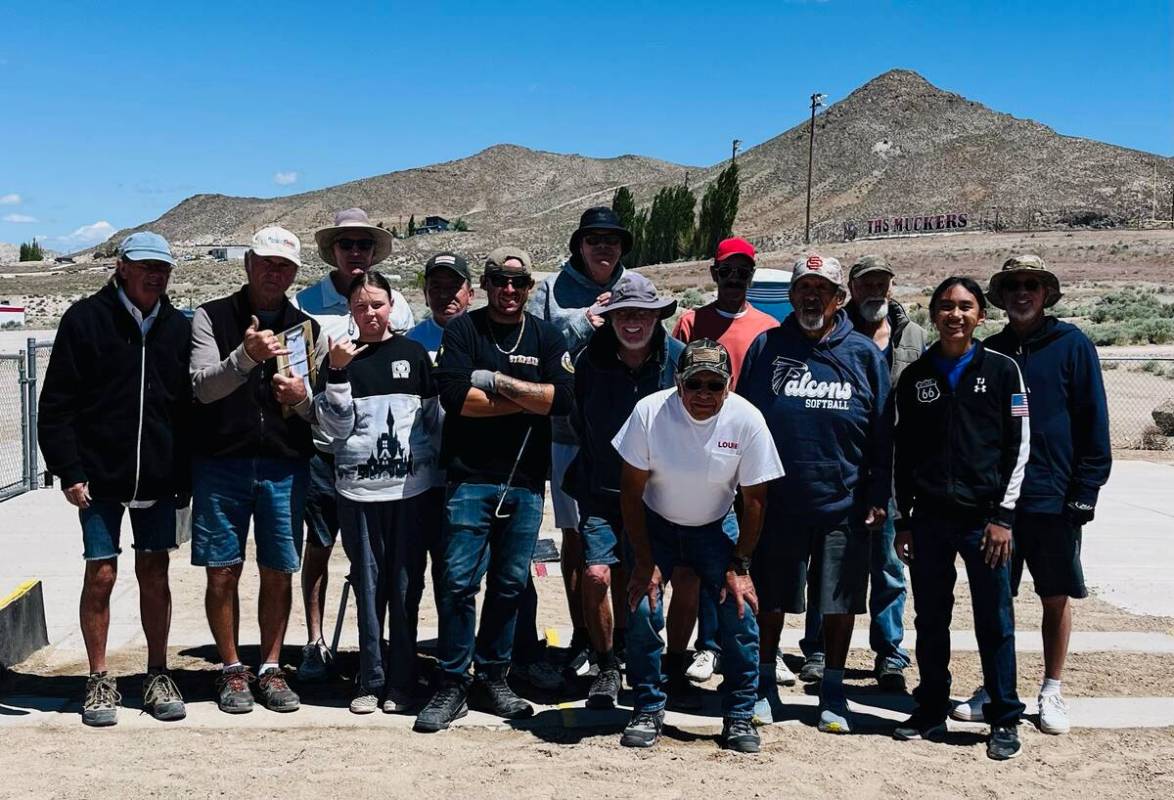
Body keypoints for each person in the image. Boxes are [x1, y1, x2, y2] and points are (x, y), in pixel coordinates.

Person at [414, 247, 574, 732]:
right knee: (459, 583)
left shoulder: (547, 336)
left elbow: (563, 398)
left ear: (529, 289)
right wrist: (528, 397)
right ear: (484, 284)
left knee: (509, 585)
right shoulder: (465, 330)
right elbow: (458, 398)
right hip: (468, 478)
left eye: (518, 284)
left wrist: (497, 383)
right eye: (499, 282)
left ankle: (494, 675)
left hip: (525, 483)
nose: (508, 291)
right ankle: (451, 682)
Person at [38, 231, 191, 726]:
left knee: (155, 573)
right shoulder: (85, 319)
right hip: (98, 479)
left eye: (163, 268)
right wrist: (69, 469)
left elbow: (184, 410)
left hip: (157, 479)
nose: (156, 275)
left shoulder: (176, 327)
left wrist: (183, 471)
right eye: (146, 266)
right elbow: (57, 404)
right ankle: (100, 679)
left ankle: (157, 672)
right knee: (101, 573)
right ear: (122, 266)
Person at [737, 253, 891, 733]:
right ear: (791, 295)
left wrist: (878, 495)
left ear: (838, 298)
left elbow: (884, 432)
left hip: (843, 503)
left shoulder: (863, 354)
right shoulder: (768, 346)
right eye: (803, 288)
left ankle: (832, 691)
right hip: (778, 503)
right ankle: (763, 686)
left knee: (839, 602)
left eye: (821, 290)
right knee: (772, 600)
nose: (811, 297)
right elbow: (744, 420)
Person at [614, 339, 784, 752]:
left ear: (729, 386)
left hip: (715, 525)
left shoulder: (747, 419)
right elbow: (630, 492)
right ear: (678, 383)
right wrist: (644, 559)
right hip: (657, 522)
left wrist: (740, 565)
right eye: (695, 385)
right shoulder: (650, 412)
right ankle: (648, 707)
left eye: (714, 385)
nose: (704, 395)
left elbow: (755, 499)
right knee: (642, 604)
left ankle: (740, 715)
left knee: (740, 610)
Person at [968, 255, 1111, 735]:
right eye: (1013, 287)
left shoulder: (1073, 346)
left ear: (1046, 293)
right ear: (1002, 297)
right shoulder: (991, 352)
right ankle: (995, 686)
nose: (1022, 294)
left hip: (1055, 498)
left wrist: (1085, 492)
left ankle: (1052, 688)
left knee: (1054, 596)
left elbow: (1094, 423)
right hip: (1000, 505)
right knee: (995, 598)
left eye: (1031, 285)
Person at [891, 276, 1030, 761]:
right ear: (933, 313)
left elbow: (1019, 448)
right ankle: (930, 706)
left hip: (984, 522)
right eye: (946, 306)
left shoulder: (1002, 370)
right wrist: (903, 520)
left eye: (965, 307)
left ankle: (1004, 718)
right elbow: (902, 454)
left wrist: (1004, 517)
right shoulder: (916, 376)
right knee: (931, 618)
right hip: (929, 520)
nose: (955, 315)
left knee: (995, 620)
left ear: (980, 316)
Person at [190, 226, 327, 714]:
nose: (275, 272)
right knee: (222, 569)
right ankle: (231, 669)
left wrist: (303, 399)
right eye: (267, 262)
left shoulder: (308, 329)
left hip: (284, 465)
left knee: (278, 569)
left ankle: (270, 667)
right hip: (221, 462)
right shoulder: (210, 317)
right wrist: (246, 357)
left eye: (285, 266)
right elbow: (203, 387)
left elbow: (319, 411)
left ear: (295, 273)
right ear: (248, 263)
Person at [293, 208, 412, 681]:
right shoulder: (306, 303)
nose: (355, 253)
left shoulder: (395, 302)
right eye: (347, 245)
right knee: (319, 546)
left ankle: (377, 646)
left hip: (378, 450)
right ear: (333, 251)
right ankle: (315, 640)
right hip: (324, 445)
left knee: (381, 556)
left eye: (363, 245)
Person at [314, 270, 441, 714]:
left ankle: (403, 681)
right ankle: (370, 678)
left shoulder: (413, 355)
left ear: (392, 306)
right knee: (368, 585)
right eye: (360, 306)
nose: (370, 313)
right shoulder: (340, 360)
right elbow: (334, 429)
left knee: (406, 585)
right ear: (349, 312)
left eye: (377, 304)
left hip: (411, 492)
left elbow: (432, 423)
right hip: (358, 495)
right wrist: (336, 373)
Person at [798, 254, 925, 690]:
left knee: (888, 565)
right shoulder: (832, 332)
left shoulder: (915, 338)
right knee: (828, 565)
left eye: (882, 282)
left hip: (893, 469)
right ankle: (816, 649)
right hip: (843, 466)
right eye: (866, 282)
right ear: (849, 289)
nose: (875, 290)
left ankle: (889, 654)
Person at [564, 273, 683, 710]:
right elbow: (578, 417)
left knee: (648, 581)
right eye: (624, 314)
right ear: (611, 318)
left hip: (658, 494)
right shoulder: (588, 360)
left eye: (642, 314)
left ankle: (649, 662)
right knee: (596, 575)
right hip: (600, 488)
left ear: (656, 317)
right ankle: (606, 664)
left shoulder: (678, 360)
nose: (633, 322)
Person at [672, 237, 780, 687]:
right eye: (726, 270)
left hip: (746, 450)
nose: (734, 278)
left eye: (743, 271)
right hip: (699, 455)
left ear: (751, 276)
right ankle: (704, 648)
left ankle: (738, 650)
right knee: (695, 563)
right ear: (714, 274)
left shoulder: (768, 326)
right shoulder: (690, 322)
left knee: (743, 557)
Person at [529, 206, 630, 676]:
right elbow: (533, 348)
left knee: (628, 538)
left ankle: (624, 638)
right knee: (575, 538)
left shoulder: (635, 285)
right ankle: (583, 635)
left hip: (628, 438)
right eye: (594, 239)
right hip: (568, 434)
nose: (603, 247)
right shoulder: (551, 290)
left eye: (612, 239)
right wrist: (582, 322)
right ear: (580, 245)